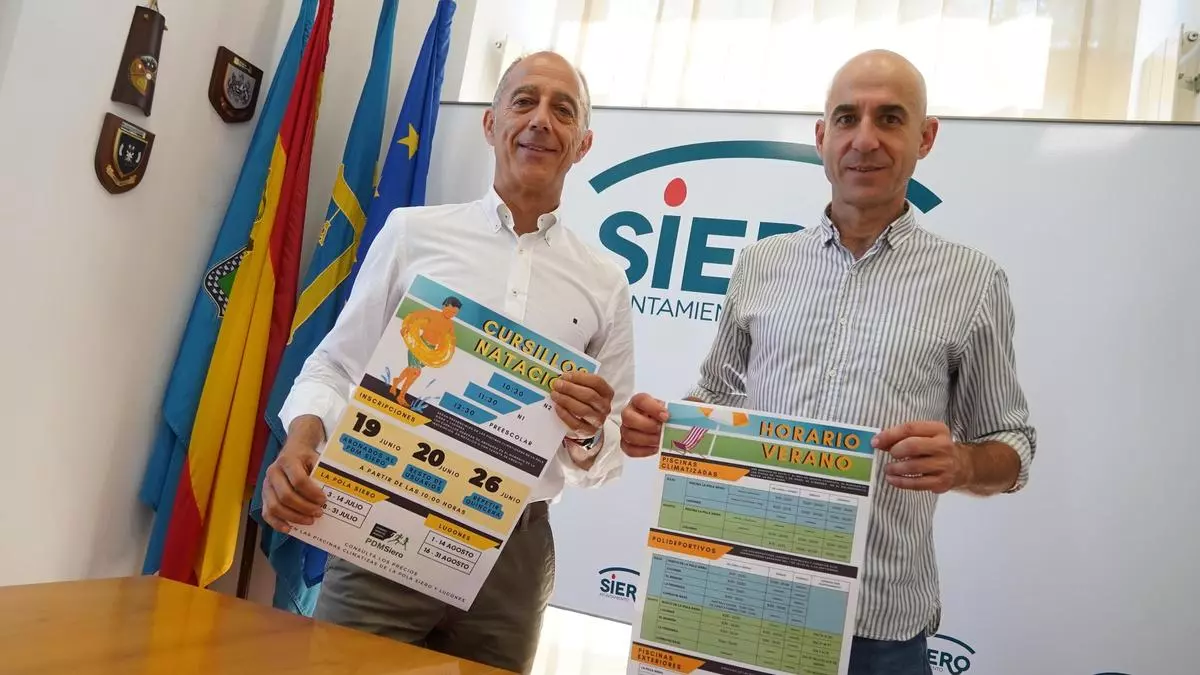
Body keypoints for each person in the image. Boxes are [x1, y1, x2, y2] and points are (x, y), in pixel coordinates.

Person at [619, 49, 1036, 675]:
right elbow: (716, 401)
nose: (864, 139)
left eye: (889, 118)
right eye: (846, 118)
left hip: (878, 628)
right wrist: (666, 428)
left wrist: (965, 463)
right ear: (822, 138)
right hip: (740, 601)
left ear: (925, 137)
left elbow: (1014, 445)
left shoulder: (973, 282)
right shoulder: (762, 264)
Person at [260, 51, 638, 674]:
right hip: (384, 517)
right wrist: (302, 439)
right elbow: (333, 367)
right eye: (524, 102)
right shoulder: (412, 235)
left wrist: (589, 432)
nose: (540, 120)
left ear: (583, 144)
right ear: (491, 123)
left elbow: (609, 444)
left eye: (563, 110)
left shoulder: (605, 282)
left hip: (513, 555)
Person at [391, 296, 461, 405]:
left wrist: (449, 351)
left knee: (411, 369)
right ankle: (401, 396)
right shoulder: (432, 314)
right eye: (449, 311)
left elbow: (450, 339)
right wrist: (406, 326)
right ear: (444, 306)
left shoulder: (450, 325)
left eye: (454, 313)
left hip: (430, 352)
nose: (451, 314)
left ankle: (396, 382)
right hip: (418, 345)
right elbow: (414, 316)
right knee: (416, 372)